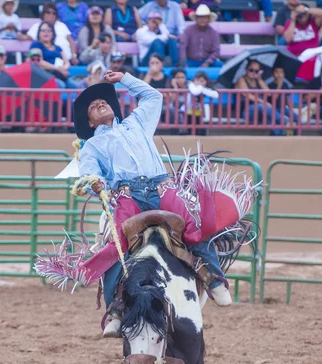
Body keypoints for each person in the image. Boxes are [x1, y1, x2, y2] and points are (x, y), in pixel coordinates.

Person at [76, 71, 231, 337]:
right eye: (93, 106)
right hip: (128, 195)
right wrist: (95, 184)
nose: (100, 104)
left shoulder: (138, 122)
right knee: (118, 245)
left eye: (103, 101)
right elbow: (88, 175)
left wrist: (125, 77)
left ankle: (215, 280)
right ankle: (115, 308)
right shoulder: (92, 146)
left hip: (162, 187)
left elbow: (153, 96)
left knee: (194, 229)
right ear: (89, 122)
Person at [235, 59, 290, 136]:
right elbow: (248, 95)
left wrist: (260, 80)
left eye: (256, 71)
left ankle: (279, 136)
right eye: (251, 70)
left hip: (260, 112)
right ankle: (285, 120)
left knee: (269, 119)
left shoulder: (258, 81)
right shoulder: (241, 80)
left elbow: (269, 94)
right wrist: (264, 102)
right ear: (246, 70)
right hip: (247, 111)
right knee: (261, 106)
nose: (254, 72)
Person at [30, 22, 77, 87]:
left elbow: (67, 63)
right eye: (43, 31)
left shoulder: (58, 48)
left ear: (53, 33)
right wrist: (56, 68)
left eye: (49, 31)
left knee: (76, 85)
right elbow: (39, 62)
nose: (46, 33)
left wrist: (63, 68)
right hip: (45, 74)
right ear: (39, 33)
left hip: (60, 74)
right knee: (61, 85)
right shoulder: (35, 45)